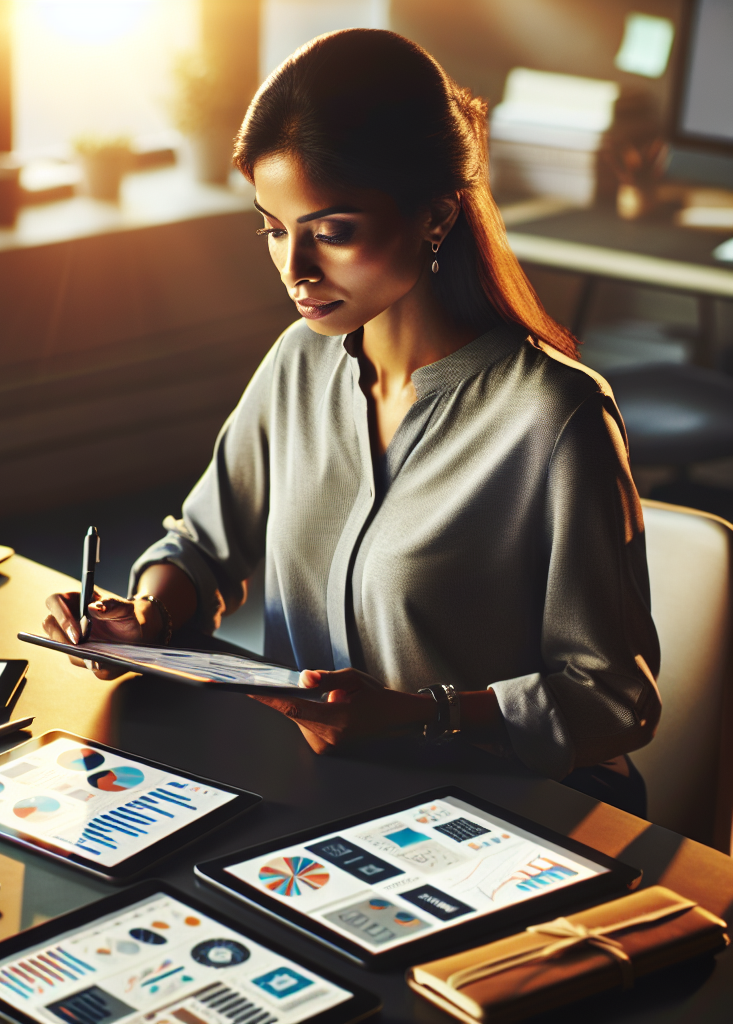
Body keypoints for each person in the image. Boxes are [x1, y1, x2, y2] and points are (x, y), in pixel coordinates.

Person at [43, 29, 661, 816]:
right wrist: (147, 618)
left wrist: (420, 714)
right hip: (316, 797)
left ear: (435, 217)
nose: (295, 271)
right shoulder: (301, 362)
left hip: (502, 814)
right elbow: (201, 547)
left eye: (331, 232)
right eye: (274, 229)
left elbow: (614, 701)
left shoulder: (553, 416)